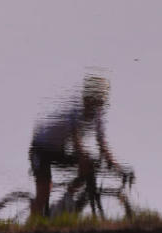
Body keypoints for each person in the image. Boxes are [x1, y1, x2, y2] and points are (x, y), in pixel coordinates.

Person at [29, 75, 128, 217]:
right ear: (87, 96)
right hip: (41, 149)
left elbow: (102, 142)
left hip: (58, 150)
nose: (96, 102)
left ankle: (65, 200)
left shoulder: (98, 114)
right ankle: (32, 226)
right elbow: (76, 141)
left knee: (90, 165)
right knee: (44, 192)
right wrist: (83, 157)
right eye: (94, 98)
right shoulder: (75, 109)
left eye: (100, 99)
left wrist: (115, 164)